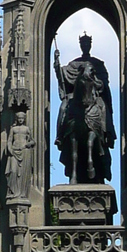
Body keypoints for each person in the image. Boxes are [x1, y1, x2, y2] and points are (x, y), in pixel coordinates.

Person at [53, 34, 115, 183]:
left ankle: (106, 134)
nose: (85, 46)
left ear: (90, 44)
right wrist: (56, 64)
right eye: (83, 43)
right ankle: (60, 136)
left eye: (87, 43)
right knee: (63, 108)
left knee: (103, 108)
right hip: (77, 97)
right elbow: (63, 76)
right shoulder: (74, 64)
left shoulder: (98, 64)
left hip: (93, 97)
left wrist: (96, 82)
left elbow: (103, 84)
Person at [5, 109, 33, 199]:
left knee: (22, 173)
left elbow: (33, 141)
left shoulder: (26, 129)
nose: (21, 120)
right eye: (19, 118)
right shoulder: (13, 129)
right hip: (14, 151)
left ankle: (21, 193)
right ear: (17, 119)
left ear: (24, 119)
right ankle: (12, 192)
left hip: (24, 151)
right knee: (13, 171)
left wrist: (29, 144)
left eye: (22, 118)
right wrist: (10, 149)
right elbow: (9, 140)